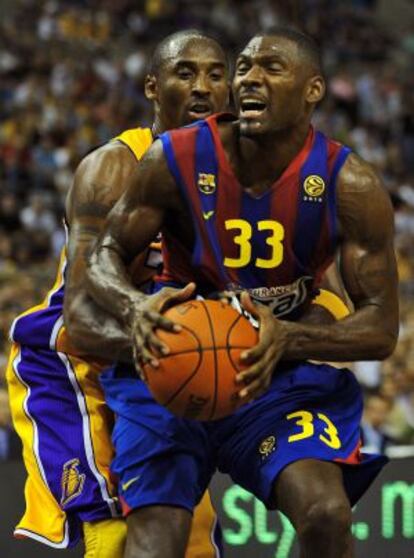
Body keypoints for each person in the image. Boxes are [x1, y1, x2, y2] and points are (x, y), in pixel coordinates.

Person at [86, 27, 399, 558]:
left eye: (271, 68)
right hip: (175, 362)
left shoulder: (351, 186)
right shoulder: (174, 157)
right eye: (245, 68)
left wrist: (289, 340)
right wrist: (134, 305)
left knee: (326, 515)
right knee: (154, 545)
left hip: (271, 379)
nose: (250, 78)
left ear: (313, 90)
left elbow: (381, 329)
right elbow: (104, 251)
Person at [6, 30, 229, 557]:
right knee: (118, 527)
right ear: (152, 87)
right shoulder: (115, 167)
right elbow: (83, 321)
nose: (202, 87)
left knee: (193, 542)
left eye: (216, 75)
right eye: (185, 73)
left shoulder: (236, 181)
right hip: (78, 367)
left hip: (160, 370)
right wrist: (191, 346)